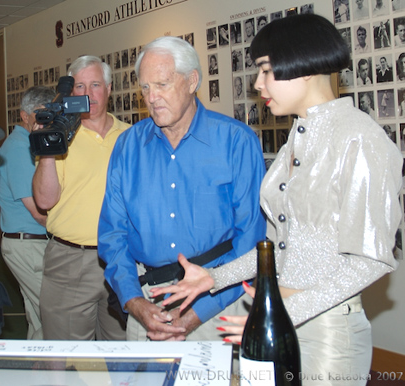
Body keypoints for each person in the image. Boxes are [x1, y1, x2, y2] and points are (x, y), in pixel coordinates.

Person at [153, 14, 402, 385]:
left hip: (326, 332)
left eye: (266, 70)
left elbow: (370, 260)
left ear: (302, 65)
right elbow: (278, 249)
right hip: (275, 313)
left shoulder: (359, 139)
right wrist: (213, 278)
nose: (257, 84)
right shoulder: (295, 141)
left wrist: (282, 310)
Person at [98, 36, 266, 342]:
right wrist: (134, 302)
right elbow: (112, 236)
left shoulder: (236, 142)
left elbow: (251, 239)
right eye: (145, 88)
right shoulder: (128, 147)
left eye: (162, 84)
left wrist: (194, 315)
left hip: (219, 303)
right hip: (149, 306)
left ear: (192, 81)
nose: (152, 97)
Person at [32, 55, 129, 341]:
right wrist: (48, 151)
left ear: (109, 89)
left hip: (121, 259)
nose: (87, 94)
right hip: (70, 261)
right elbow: (45, 201)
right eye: (79, 87)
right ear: (70, 93)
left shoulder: (131, 136)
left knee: (123, 355)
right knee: (66, 360)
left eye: (95, 84)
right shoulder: (60, 137)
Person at [0, 86, 55, 340]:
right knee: (53, 316)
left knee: (38, 318)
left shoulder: (30, 145)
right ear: (24, 116)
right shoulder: (19, 149)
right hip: (27, 244)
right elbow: (38, 212)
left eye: (49, 115)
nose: (45, 122)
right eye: (39, 116)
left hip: (30, 243)